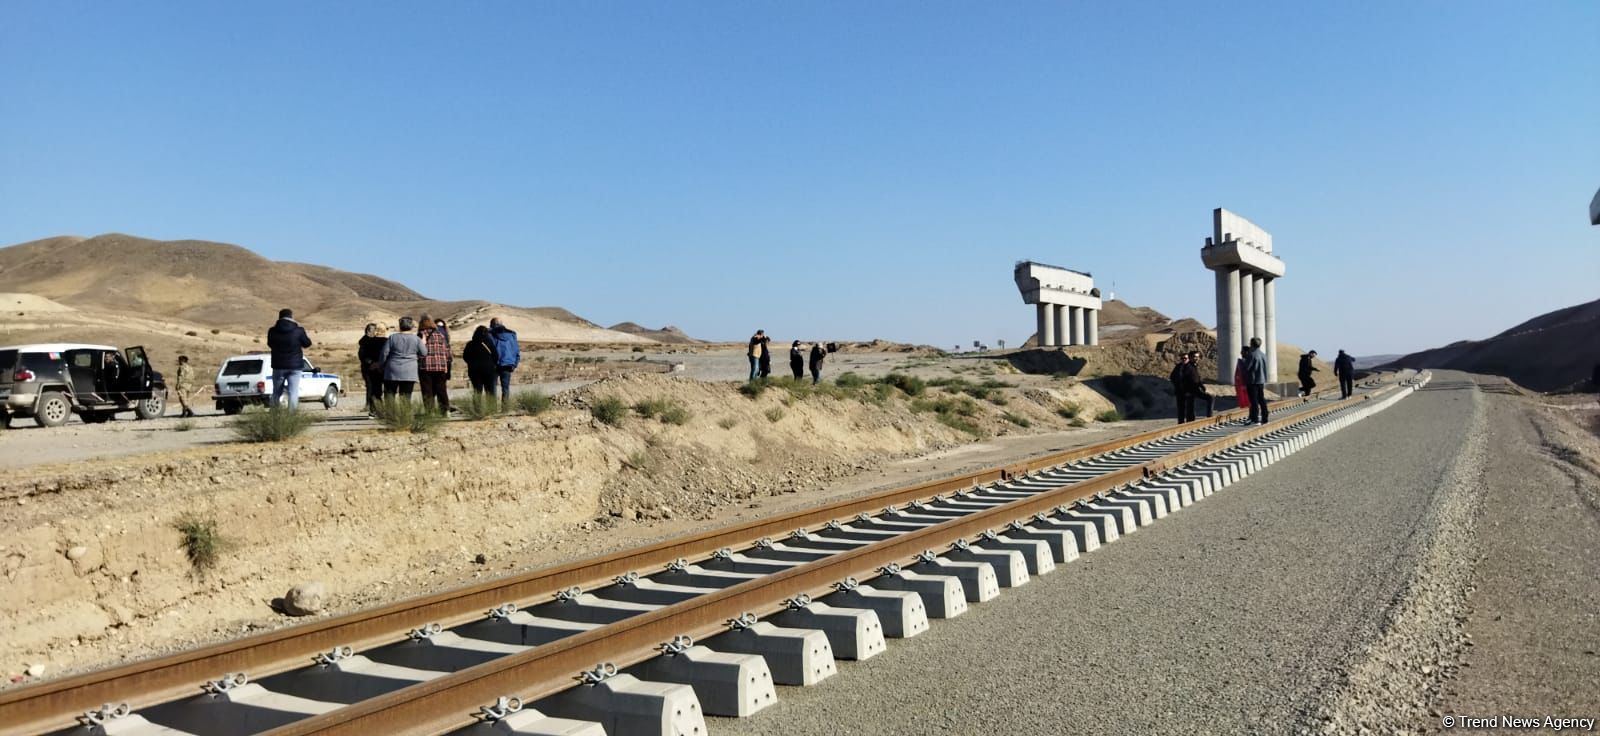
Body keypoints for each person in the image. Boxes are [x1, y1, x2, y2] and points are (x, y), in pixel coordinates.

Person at [266, 308, 311, 410]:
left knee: (276, 392)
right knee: (293, 392)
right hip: (295, 366)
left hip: (278, 366)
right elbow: (307, 343)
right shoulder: (298, 331)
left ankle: (274, 415)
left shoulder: (272, 331)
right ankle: (292, 416)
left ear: (279, 318)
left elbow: (270, 344)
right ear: (291, 317)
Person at [378, 316, 427, 399]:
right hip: (409, 371)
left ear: (400, 326)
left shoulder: (392, 337)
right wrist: (423, 343)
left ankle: (390, 411)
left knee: (389, 395)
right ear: (411, 326)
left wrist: (381, 365)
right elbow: (424, 353)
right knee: (406, 397)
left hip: (392, 370)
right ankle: (404, 411)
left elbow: (384, 353)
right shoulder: (416, 339)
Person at [418, 317, 451, 415]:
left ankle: (430, 412)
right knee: (441, 389)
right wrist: (447, 364)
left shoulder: (421, 335)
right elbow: (447, 351)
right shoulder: (440, 334)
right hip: (440, 366)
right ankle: (445, 410)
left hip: (425, 366)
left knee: (427, 390)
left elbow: (418, 351)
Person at [489, 318, 520, 402]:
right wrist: (515, 363)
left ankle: (492, 409)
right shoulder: (512, 335)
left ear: (492, 324)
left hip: (494, 365)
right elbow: (516, 350)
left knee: (492, 388)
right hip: (508, 364)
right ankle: (505, 409)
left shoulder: (490, 334)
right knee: (505, 388)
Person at [463, 325, 500, 397]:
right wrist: (491, 364)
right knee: (490, 392)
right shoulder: (489, 343)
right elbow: (496, 356)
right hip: (488, 370)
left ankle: (477, 408)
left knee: (477, 392)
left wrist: (471, 364)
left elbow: (465, 357)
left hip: (474, 371)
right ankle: (491, 407)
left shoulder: (470, 344)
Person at [358, 323, 386, 413]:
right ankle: (371, 406)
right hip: (369, 369)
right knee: (371, 388)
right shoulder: (365, 341)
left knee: (375, 389)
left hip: (376, 367)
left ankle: (374, 407)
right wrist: (371, 363)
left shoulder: (374, 341)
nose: (373, 331)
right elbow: (362, 356)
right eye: (372, 329)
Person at [1243, 338, 1269, 424]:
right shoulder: (1263, 354)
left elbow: (1247, 368)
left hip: (1252, 381)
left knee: (1254, 401)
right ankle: (1265, 417)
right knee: (1261, 399)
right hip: (1261, 381)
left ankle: (1255, 418)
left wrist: (1243, 361)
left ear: (1252, 344)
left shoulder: (1252, 355)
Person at [1187, 350, 1213, 418]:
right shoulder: (1187, 367)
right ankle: (1208, 417)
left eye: (1197, 357)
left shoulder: (1194, 366)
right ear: (1190, 357)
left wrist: (1202, 386)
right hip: (1190, 390)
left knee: (1210, 398)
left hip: (1195, 389)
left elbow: (1197, 378)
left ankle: (1209, 416)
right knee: (1190, 407)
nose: (1197, 358)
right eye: (1194, 357)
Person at [1169, 353, 1191, 424]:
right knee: (1181, 408)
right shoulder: (1178, 367)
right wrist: (1176, 384)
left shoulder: (1191, 367)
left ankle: (1190, 422)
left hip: (1189, 391)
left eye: (1185, 358)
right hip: (1180, 391)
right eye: (1182, 358)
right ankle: (1181, 423)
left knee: (1189, 408)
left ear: (1188, 359)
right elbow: (1172, 377)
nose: (1184, 360)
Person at [1234, 347, 1251, 413]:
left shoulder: (1243, 362)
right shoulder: (1241, 362)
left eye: (1242, 351)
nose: (1241, 353)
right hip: (1243, 385)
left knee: (1248, 402)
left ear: (1246, 352)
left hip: (1245, 385)